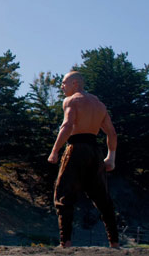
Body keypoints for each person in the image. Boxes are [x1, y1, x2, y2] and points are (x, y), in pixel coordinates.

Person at [48, 71, 118, 248]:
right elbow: (111, 132)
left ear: (76, 84)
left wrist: (55, 151)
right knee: (102, 198)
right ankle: (114, 242)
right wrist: (111, 157)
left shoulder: (71, 101)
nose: (62, 86)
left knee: (63, 195)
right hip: (95, 151)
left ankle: (65, 242)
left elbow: (67, 125)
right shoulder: (99, 104)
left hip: (76, 148)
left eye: (64, 83)